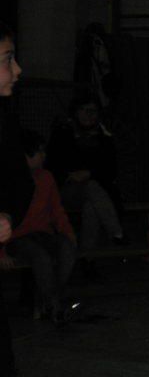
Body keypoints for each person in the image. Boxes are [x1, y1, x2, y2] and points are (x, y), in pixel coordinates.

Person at [5, 129, 76, 322]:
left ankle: (50, 300)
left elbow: (57, 210)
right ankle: (54, 305)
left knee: (67, 249)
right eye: (39, 152)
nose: (44, 156)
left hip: (41, 234)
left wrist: (68, 233)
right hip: (16, 238)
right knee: (40, 256)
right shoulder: (10, 180)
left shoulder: (46, 178)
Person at [46, 92, 126, 252]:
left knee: (91, 205)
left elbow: (110, 170)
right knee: (91, 188)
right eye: (84, 110)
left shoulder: (104, 139)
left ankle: (87, 258)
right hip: (66, 191)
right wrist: (71, 176)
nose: (88, 115)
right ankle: (117, 233)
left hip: (97, 192)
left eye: (93, 110)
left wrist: (90, 174)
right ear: (75, 112)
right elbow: (52, 166)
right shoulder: (62, 134)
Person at [0, 21, 30, 377]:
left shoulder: (5, 122)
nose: (18, 69)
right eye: (8, 58)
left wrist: (6, 214)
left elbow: (20, 184)